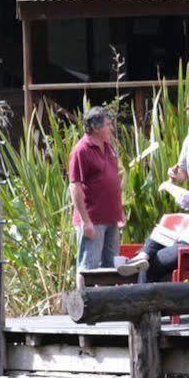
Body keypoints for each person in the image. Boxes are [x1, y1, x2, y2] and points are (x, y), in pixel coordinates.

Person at [67, 106, 124, 280]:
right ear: (96, 128)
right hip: (93, 220)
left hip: (112, 219)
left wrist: (120, 211)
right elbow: (74, 187)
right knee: (88, 268)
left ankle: (108, 305)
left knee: (112, 267)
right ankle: (84, 305)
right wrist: (86, 221)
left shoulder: (109, 146)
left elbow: (114, 179)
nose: (111, 128)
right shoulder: (81, 150)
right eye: (108, 125)